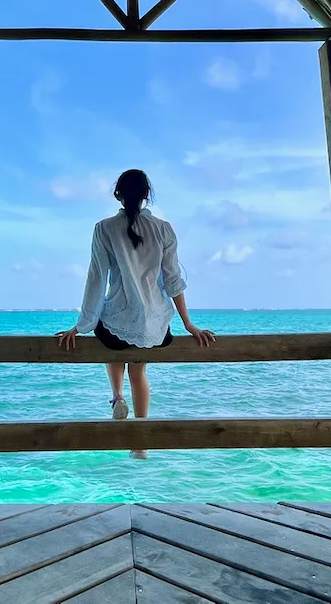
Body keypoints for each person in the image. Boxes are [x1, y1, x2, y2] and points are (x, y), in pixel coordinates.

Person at [57, 169, 215, 458]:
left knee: (108, 332)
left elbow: (96, 277)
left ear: (118, 194)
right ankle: (140, 444)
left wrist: (81, 326)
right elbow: (173, 280)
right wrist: (189, 324)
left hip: (116, 321)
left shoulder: (103, 228)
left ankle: (116, 396)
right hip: (153, 325)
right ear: (146, 195)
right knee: (139, 371)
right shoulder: (164, 229)